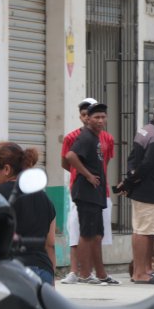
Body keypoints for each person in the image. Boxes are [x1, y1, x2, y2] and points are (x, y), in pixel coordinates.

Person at [117, 101, 154, 284]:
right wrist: (129, 183)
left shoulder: (145, 130)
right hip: (149, 190)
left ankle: (146, 269)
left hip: (143, 189)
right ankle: (140, 273)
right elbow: (147, 165)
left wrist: (129, 181)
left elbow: (132, 159)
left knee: (145, 231)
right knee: (143, 231)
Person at [60, 97, 114, 284]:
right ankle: (84, 274)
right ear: (87, 119)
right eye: (96, 117)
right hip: (86, 193)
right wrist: (88, 175)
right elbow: (70, 156)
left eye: (103, 117)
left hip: (97, 193)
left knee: (97, 235)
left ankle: (101, 274)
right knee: (86, 234)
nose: (100, 120)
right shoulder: (85, 136)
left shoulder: (99, 137)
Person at [0, 143, 58, 285]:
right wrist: (51, 282)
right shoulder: (44, 198)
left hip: (11, 273)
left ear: (6, 169)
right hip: (43, 271)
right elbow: (50, 243)